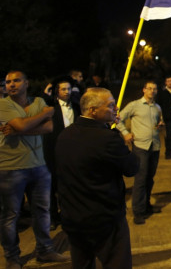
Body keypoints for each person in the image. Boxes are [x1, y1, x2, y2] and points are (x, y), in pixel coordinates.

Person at [56, 87, 139, 268]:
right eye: (110, 105)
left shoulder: (65, 135)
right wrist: (116, 135)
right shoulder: (108, 139)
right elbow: (132, 167)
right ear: (93, 110)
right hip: (104, 220)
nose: (115, 109)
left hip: (74, 218)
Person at [0, 71, 69, 268]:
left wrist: (19, 129)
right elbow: (22, 124)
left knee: (43, 211)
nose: (11, 84)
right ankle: (12, 257)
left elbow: (48, 128)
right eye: (8, 82)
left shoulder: (37, 101)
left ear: (26, 83)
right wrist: (45, 113)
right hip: (10, 168)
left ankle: (45, 251)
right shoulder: (3, 105)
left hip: (38, 166)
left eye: (16, 80)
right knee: (10, 215)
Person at [117, 80, 165, 225]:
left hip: (155, 146)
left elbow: (159, 121)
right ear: (144, 90)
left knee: (150, 178)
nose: (152, 91)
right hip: (140, 146)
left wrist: (160, 124)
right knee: (140, 179)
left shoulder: (157, 107)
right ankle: (138, 211)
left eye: (154, 89)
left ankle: (147, 205)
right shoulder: (135, 105)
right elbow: (118, 118)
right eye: (149, 88)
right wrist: (125, 132)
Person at [42, 77, 81, 230]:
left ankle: (69, 214)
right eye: (63, 89)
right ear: (57, 91)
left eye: (68, 89)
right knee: (52, 185)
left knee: (70, 184)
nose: (66, 92)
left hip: (72, 151)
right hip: (53, 151)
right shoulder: (50, 106)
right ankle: (52, 216)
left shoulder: (76, 106)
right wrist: (46, 92)